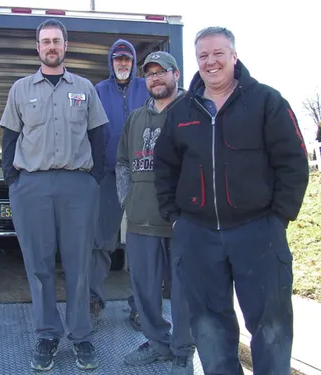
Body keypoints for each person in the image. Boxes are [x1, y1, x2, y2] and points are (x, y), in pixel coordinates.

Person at [153, 27, 310, 375]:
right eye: (203, 56)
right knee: (209, 328)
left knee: (271, 328)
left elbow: (294, 162)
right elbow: (163, 168)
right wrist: (176, 218)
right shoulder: (181, 113)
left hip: (258, 233)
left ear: (234, 57)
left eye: (218, 53)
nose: (210, 62)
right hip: (198, 235)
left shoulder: (267, 102)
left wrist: (278, 218)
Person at [0, 18, 108, 371]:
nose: (51, 46)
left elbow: (99, 137)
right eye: (45, 41)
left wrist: (92, 179)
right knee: (39, 265)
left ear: (65, 46)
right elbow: (9, 139)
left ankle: (81, 336)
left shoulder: (85, 88)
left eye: (56, 41)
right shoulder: (20, 89)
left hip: (77, 186)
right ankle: (47, 334)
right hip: (32, 187)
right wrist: (14, 181)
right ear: (38, 48)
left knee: (79, 263)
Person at [116, 51, 195, 375]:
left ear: (176, 74)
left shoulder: (194, 110)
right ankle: (157, 342)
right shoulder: (136, 118)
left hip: (184, 222)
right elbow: (122, 162)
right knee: (145, 291)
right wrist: (128, 200)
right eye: (150, 74)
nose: (156, 78)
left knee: (185, 291)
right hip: (142, 220)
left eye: (162, 72)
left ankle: (182, 348)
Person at [89, 39, 149, 328]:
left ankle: (140, 306)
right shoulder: (98, 91)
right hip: (110, 176)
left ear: (133, 62)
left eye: (127, 60)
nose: (122, 64)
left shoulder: (146, 88)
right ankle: (93, 299)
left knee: (141, 242)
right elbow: (91, 133)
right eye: (117, 60)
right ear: (111, 63)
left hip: (142, 178)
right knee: (101, 241)